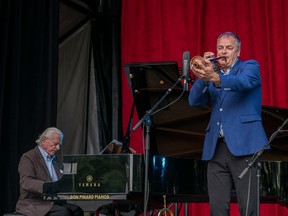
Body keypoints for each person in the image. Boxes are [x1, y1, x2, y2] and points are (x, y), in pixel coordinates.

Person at [188, 32, 268, 215]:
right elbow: (193, 101)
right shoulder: (212, 74)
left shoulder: (250, 66)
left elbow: (243, 83)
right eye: (220, 48)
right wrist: (203, 75)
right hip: (216, 147)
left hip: (245, 145)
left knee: (248, 208)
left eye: (229, 48)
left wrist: (216, 78)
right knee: (217, 209)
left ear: (238, 52)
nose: (224, 52)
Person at [16, 127, 83, 216]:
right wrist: (48, 186)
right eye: (55, 144)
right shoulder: (28, 157)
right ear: (44, 141)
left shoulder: (55, 159)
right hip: (34, 203)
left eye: (59, 145)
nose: (58, 148)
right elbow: (26, 182)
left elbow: (61, 180)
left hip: (52, 202)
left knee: (77, 210)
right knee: (64, 213)